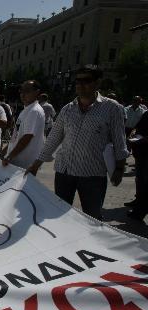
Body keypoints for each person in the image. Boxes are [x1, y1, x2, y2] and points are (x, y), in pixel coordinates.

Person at [26, 66, 128, 221]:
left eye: (86, 80)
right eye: (78, 81)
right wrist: (36, 164)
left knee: (92, 217)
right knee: (58, 214)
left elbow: (119, 141)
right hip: (64, 171)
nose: (80, 85)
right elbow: (54, 138)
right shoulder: (68, 109)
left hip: (92, 174)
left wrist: (119, 168)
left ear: (97, 83)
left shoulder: (112, 108)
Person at [0, 80, 45, 169]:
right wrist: (3, 153)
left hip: (24, 164)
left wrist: (9, 156)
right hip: (16, 162)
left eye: (27, 91)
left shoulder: (34, 111)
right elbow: (16, 137)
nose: (23, 94)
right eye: (21, 91)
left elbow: (27, 138)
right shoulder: (26, 110)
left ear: (37, 92)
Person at [126, 111, 148, 222]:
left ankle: (140, 211)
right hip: (141, 154)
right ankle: (138, 205)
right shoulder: (146, 114)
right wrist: (133, 134)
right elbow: (137, 127)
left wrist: (144, 139)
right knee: (140, 182)